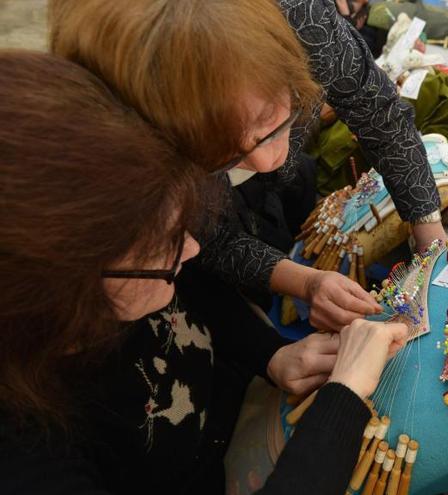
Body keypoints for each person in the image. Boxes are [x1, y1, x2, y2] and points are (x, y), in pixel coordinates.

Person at [0, 49, 408, 493]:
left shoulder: (133, 272)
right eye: (166, 242)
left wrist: (269, 354)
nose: (193, 250)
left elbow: (191, 286)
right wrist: (343, 402)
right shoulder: (32, 456)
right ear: (69, 285)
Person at [49, 0, 445, 331]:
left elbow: (377, 110)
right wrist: (302, 283)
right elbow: (200, 237)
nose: (268, 161)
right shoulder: (117, 105)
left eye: (277, 124)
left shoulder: (303, 20)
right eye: (226, 156)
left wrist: (430, 238)